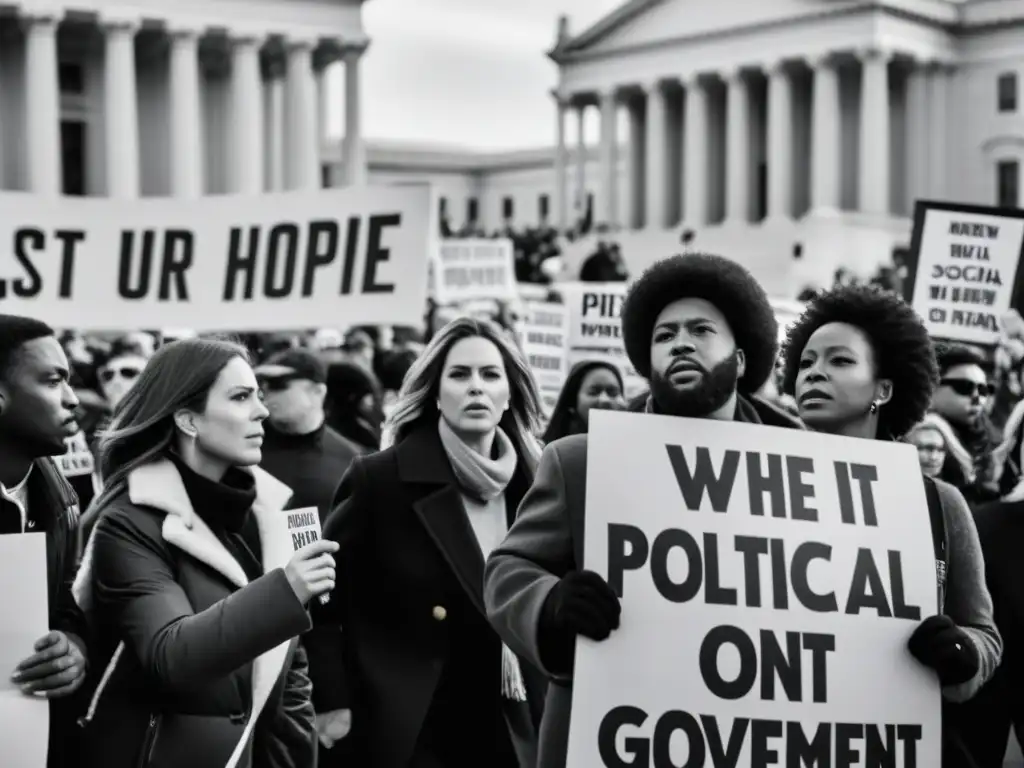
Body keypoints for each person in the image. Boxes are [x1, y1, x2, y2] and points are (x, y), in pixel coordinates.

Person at [483, 253, 802, 768]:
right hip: (617, 736)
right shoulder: (582, 460)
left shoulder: (804, 471)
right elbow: (506, 571)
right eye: (664, 335)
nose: (680, 342)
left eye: (701, 330)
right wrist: (552, 603)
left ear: (740, 360)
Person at [72, 337, 337, 768]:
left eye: (259, 395)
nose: (262, 411)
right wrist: (285, 589)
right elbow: (170, 656)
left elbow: (289, 685)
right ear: (188, 419)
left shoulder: (271, 514)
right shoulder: (127, 522)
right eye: (240, 397)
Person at [306, 317, 546, 768]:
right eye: (459, 375)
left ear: (510, 392)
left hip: (516, 720)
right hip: (416, 725)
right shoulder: (381, 479)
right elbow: (322, 598)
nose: (476, 387)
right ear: (435, 392)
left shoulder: (537, 483)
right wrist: (332, 702)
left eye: (490, 375)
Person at [779, 285, 1001, 766]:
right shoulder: (752, 486)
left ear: (883, 389)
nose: (814, 372)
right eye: (806, 362)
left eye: (839, 361)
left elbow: (984, 634)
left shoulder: (939, 502)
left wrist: (962, 653)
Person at [0, 315, 90, 768]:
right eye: (53, 381)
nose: (73, 400)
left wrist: (72, 647)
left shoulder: (57, 493)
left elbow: (66, 600)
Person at [255, 348, 364, 518]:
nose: (266, 393)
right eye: (262, 384)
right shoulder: (243, 451)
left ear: (317, 392)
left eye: (279, 384)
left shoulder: (353, 460)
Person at [541, 360, 626, 443]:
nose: (604, 400)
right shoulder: (550, 453)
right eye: (594, 392)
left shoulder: (634, 445)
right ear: (573, 402)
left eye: (613, 392)